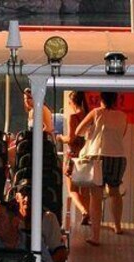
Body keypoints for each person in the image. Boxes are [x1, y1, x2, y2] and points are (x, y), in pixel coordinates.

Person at [74, 91, 128, 244]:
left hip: (98, 156)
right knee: (115, 191)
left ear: (101, 100)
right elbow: (121, 134)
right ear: (116, 100)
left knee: (96, 196)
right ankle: (117, 226)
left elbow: (78, 131)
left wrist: (90, 132)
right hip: (118, 156)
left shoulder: (96, 113)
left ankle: (95, 236)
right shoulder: (123, 116)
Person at [55, 91, 90, 223]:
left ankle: (83, 211)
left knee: (72, 189)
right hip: (86, 155)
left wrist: (59, 137)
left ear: (72, 102)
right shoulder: (88, 116)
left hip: (73, 155)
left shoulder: (73, 117)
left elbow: (70, 138)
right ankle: (88, 213)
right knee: (86, 188)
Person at [14, 181, 68, 262]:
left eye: (32, 194)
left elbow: (61, 252)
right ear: (17, 197)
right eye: (24, 194)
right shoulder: (7, 218)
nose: (27, 199)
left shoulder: (48, 218)